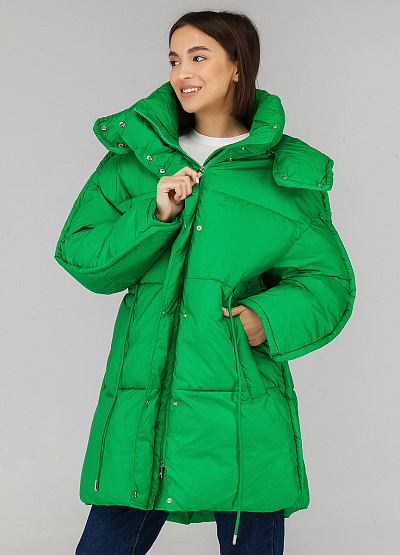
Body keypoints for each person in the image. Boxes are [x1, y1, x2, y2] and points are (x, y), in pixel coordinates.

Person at [54, 9, 356, 555]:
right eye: (174, 59)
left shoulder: (282, 172)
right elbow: (81, 252)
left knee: (250, 526)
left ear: (238, 66)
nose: (182, 73)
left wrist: (266, 319)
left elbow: (326, 280)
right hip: (145, 401)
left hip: (242, 403)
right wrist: (155, 215)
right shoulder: (138, 160)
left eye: (199, 57)